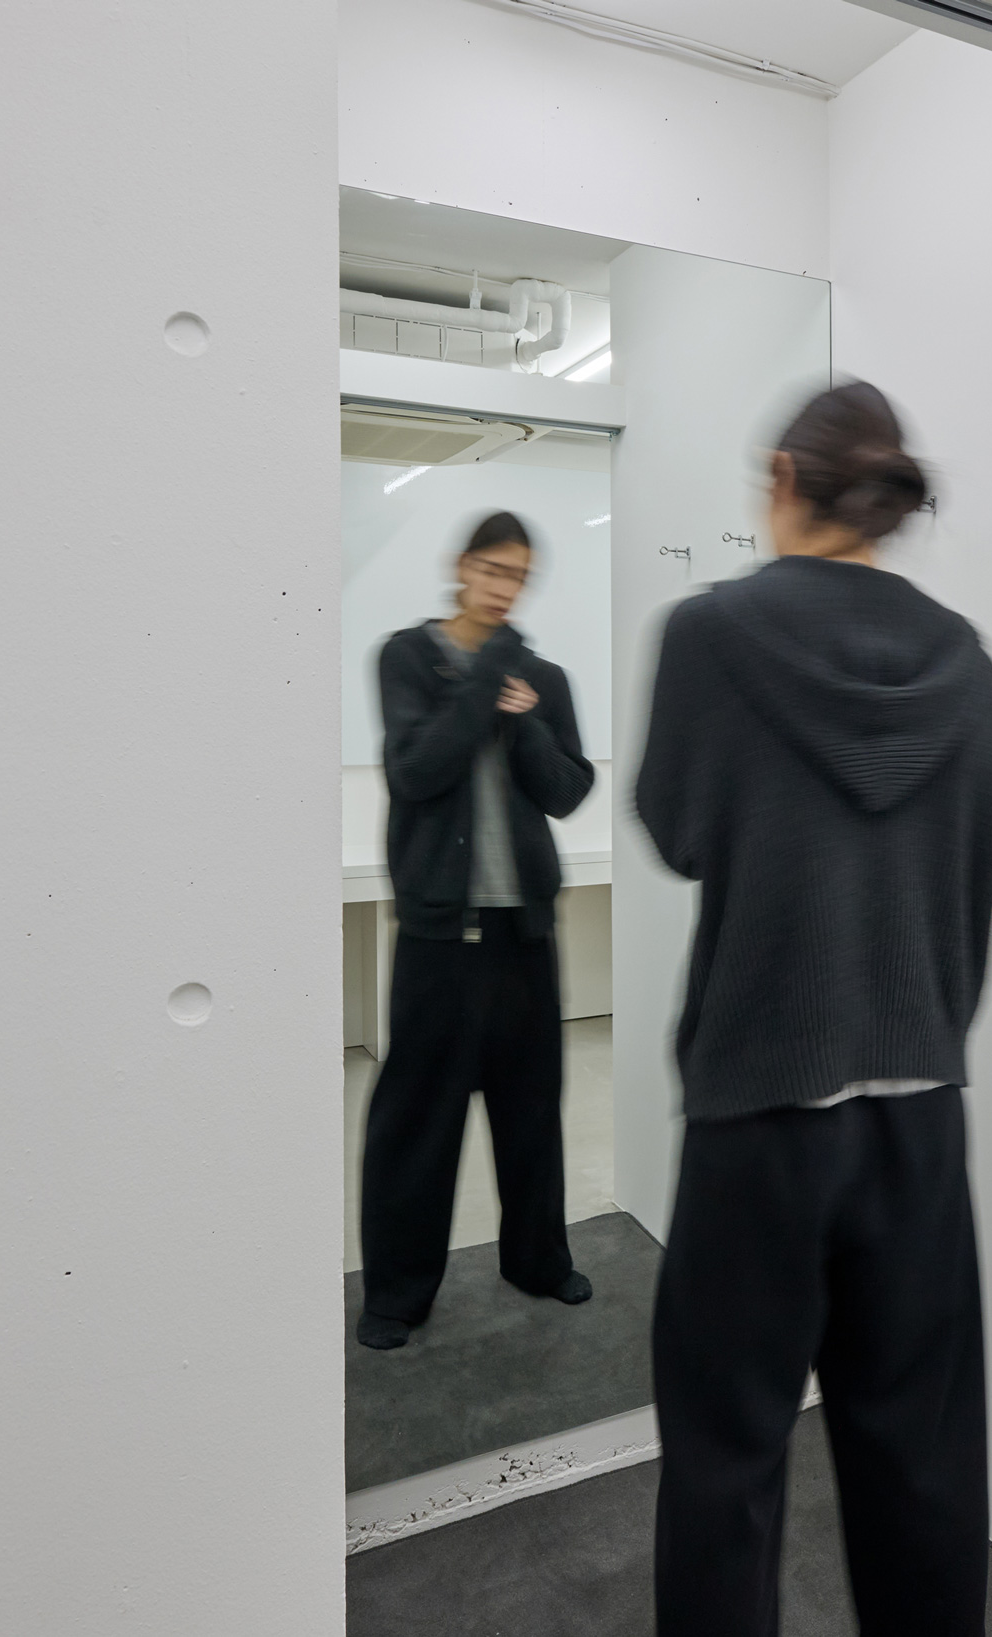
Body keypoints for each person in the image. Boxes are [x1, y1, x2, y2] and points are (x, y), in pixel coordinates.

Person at [635, 384, 992, 1634]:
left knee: (725, 1461)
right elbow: (980, 873)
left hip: (757, 1103)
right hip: (918, 1111)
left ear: (786, 481)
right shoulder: (966, 658)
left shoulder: (709, 633)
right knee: (923, 1459)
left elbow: (680, 833)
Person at [357, 510, 596, 1350]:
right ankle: (397, 1291)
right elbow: (417, 771)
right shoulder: (407, 657)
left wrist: (525, 719)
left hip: (523, 929)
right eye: (493, 570)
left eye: (519, 576)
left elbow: (568, 790)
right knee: (418, 1118)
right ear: (461, 567)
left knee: (531, 1107)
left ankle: (537, 1260)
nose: (504, 588)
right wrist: (489, 676)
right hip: (438, 931)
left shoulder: (543, 677)